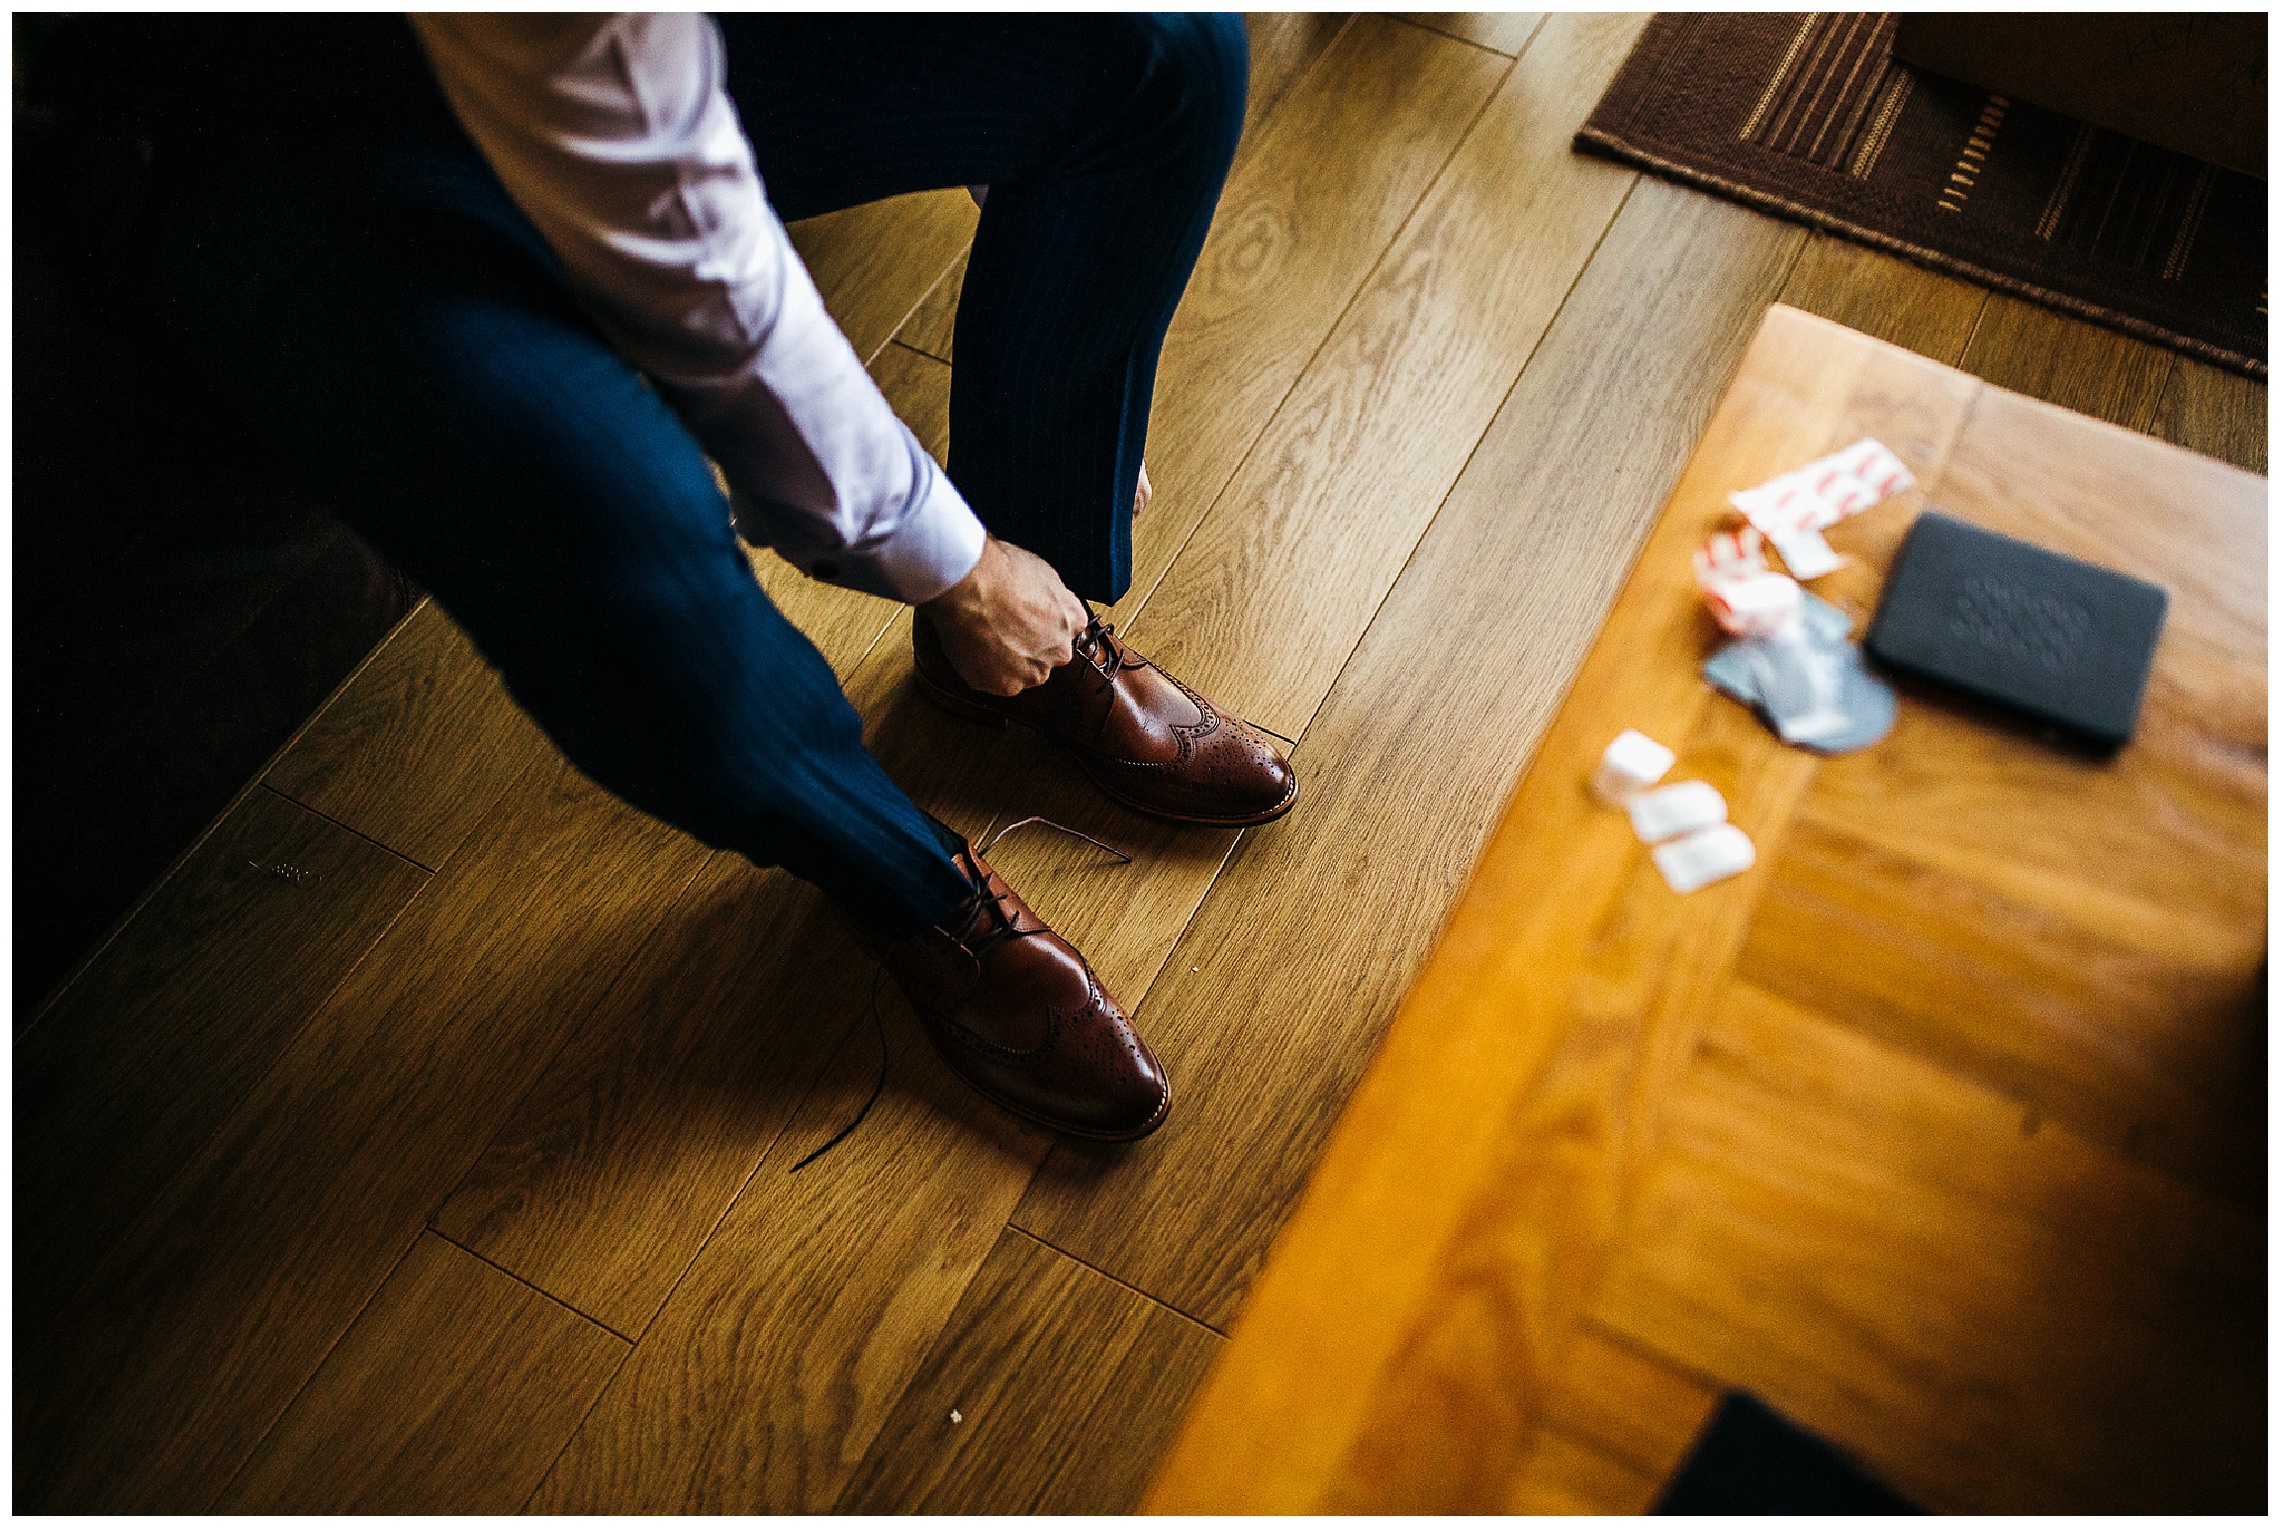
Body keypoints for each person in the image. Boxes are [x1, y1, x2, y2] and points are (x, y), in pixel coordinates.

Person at [75, 14, 1293, 1140]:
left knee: (1160, 51)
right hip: (254, 130)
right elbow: (691, 257)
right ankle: (895, 874)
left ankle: (1027, 639)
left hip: (601, 61)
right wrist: (952, 563)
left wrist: (1018, 139)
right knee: (628, 550)